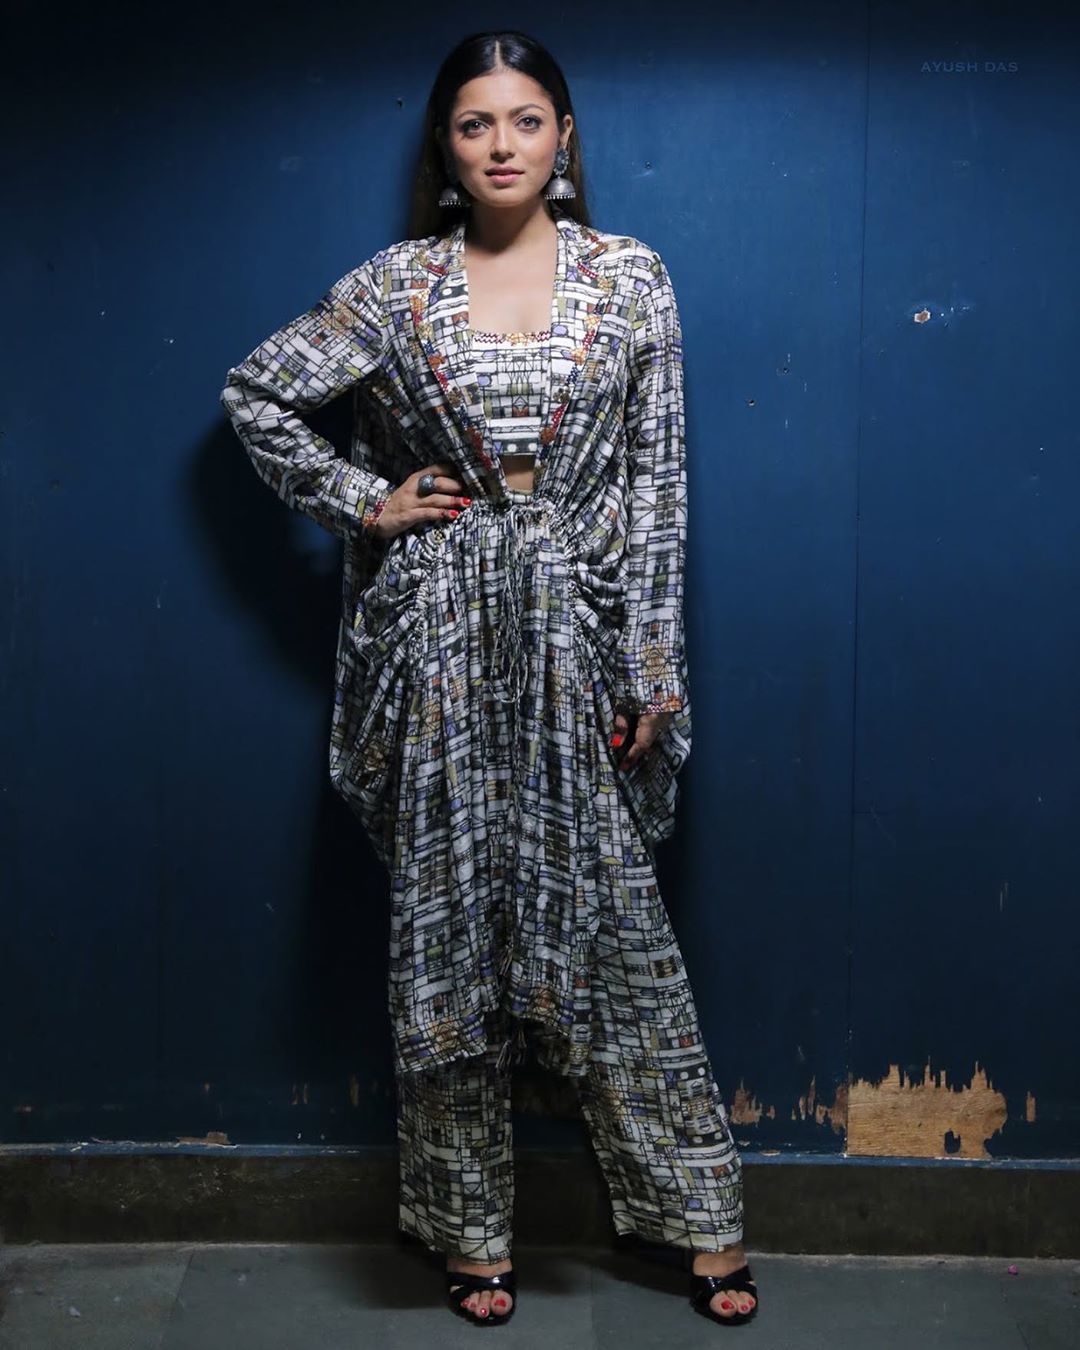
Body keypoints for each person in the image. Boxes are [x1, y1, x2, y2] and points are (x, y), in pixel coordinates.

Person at [220, 29, 758, 1330]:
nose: (502, 144)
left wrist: (651, 671)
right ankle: (469, 1229)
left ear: (564, 134)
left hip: (581, 633)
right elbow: (257, 395)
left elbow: (656, 486)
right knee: (450, 939)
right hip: (444, 638)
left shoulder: (630, 278)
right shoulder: (400, 286)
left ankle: (700, 1220)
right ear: (445, 147)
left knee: (618, 939)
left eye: (525, 119)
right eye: (475, 124)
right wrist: (365, 500)